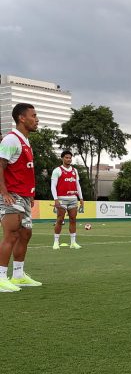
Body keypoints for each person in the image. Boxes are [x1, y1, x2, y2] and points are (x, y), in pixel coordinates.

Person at [0, 103, 41, 292]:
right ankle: (1, 278)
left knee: (25, 234)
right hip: (12, 195)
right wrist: (4, 192)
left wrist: (30, 194)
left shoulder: (25, 140)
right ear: (21, 118)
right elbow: (1, 166)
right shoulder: (11, 140)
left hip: (24, 196)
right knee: (12, 234)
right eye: (33, 115)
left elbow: (24, 171)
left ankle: (18, 276)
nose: (37, 119)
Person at [51, 151, 85, 250]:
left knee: (73, 220)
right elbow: (53, 186)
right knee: (60, 220)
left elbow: (78, 185)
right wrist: (55, 199)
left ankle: (73, 243)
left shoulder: (75, 171)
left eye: (70, 158)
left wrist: (81, 198)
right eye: (66, 157)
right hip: (61, 198)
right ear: (62, 158)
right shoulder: (57, 170)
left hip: (73, 199)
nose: (69, 159)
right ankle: (56, 242)